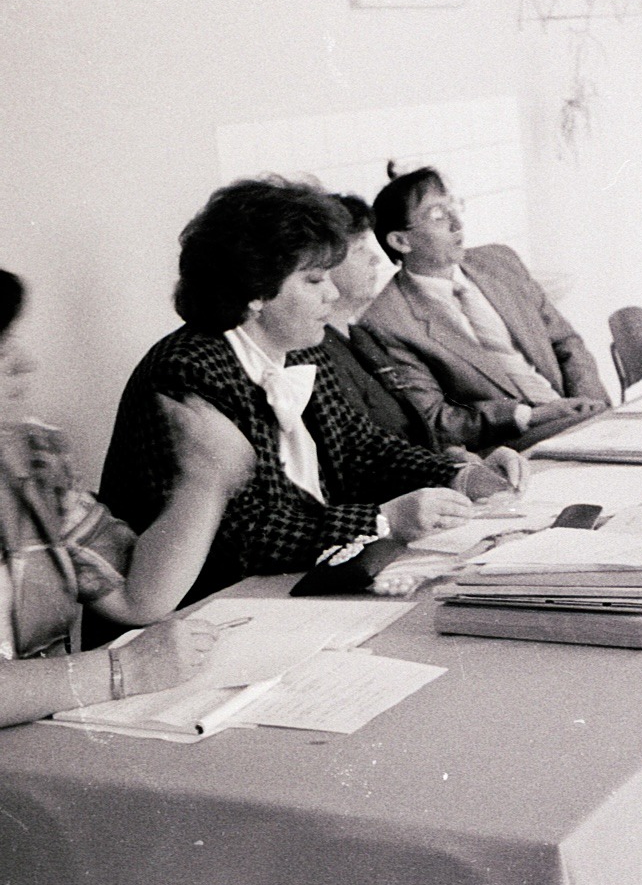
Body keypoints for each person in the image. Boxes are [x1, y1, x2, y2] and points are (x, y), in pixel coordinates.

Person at [98, 177, 514, 615]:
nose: (332, 294)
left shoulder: (298, 346)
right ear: (256, 291)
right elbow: (238, 536)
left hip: (291, 591)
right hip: (208, 610)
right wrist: (383, 520)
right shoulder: (186, 372)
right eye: (314, 280)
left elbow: (361, 448)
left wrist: (457, 475)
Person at [0, 268, 254, 728]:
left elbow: (137, 595)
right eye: (0, 345)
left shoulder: (29, 456)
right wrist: (124, 670)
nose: (23, 362)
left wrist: (203, 482)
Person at [361, 166, 610, 452]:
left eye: (453, 206)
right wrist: (529, 416)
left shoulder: (500, 261)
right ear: (400, 241)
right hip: (513, 444)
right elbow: (435, 419)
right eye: (437, 215)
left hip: (583, 420)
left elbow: (566, 342)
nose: (457, 223)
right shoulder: (385, 322)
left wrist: (591, 404)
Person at [317, 193, 436, 449]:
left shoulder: (363, 336)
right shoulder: (316, 353)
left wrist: (454, 454)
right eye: (360, 248)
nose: (376, 258)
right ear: (324, 264)